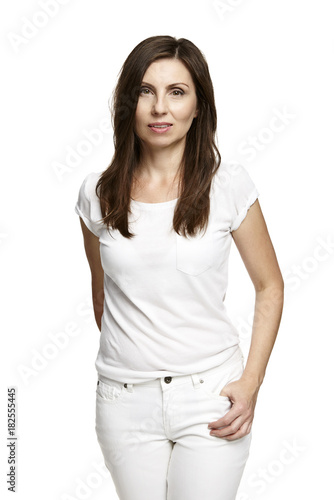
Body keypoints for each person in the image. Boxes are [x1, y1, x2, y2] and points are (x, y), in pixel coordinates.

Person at [74, 35, 284, 500]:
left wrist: (250, 382)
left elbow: (270, 286)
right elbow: (101, 291)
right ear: (129, 103)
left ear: (197, 106)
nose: (159, 108)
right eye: (145, 91)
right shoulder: (96, 194)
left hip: (210, 395)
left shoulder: (228, 186)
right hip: (124, 403)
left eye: (176, 92)